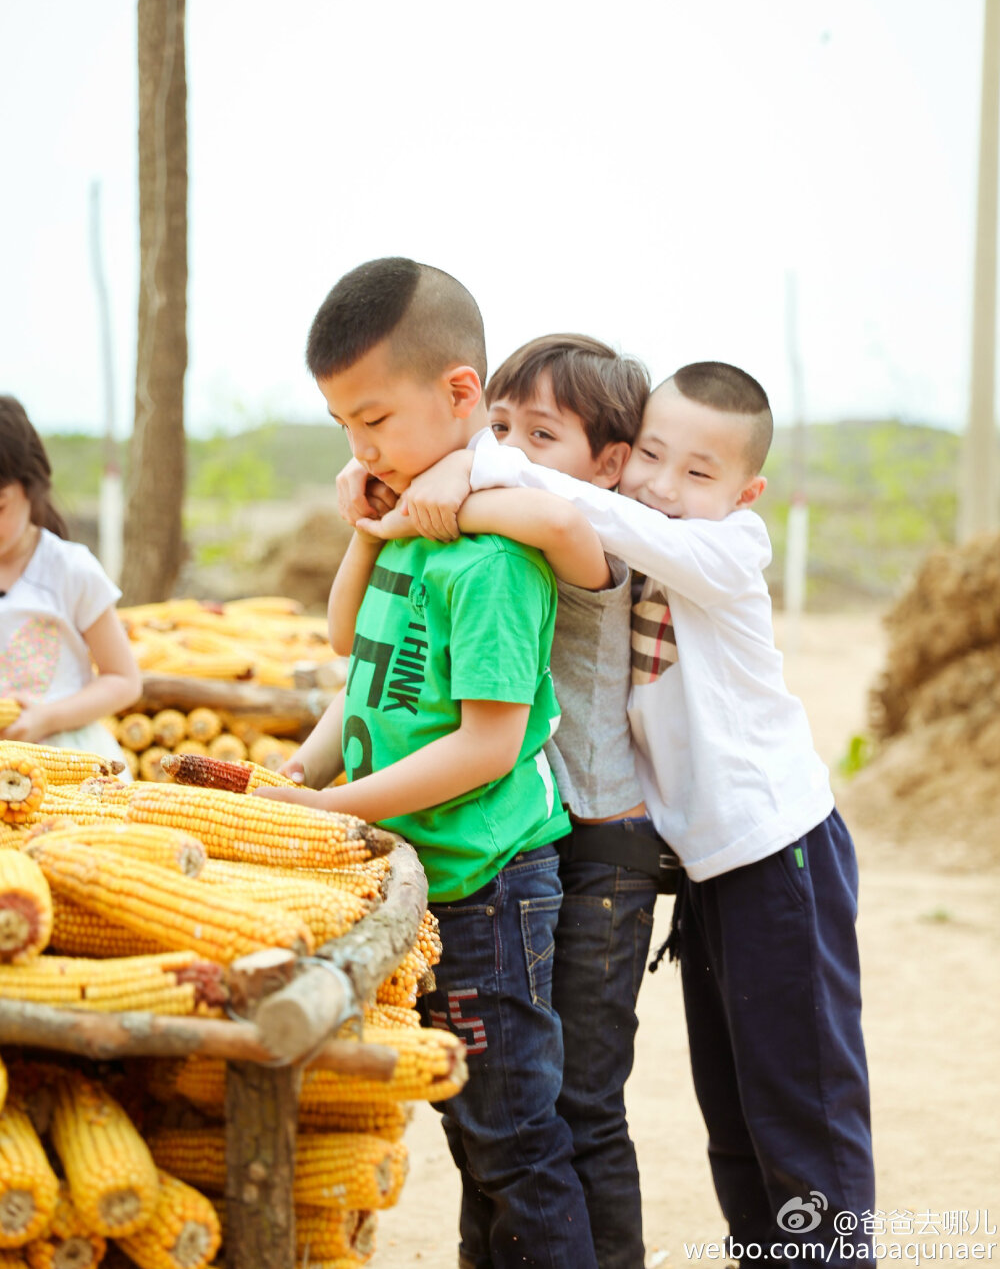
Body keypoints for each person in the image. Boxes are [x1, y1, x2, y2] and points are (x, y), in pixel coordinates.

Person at [370, 360, 875, 1269]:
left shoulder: (729, 548)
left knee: (806, 1117)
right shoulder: (641, 544)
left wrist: (465, 475)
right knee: (735, 1123)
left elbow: (590, 513)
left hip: (780, 853)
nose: (664, 486)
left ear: (747, 492)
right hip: (706, 869)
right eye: (651, 454)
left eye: (698, 473)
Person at [255, 257, 606, 1269]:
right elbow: (347, 657)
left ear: (459, 395)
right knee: (470, 1133)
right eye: (343, 430)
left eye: (374, 421)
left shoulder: (489, 557)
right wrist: (303, 779)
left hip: (488, 888)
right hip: (425, 877)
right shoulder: (412, 521)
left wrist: (341, 810)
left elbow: (487, 743)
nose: (362, 448)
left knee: (514, 1141)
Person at [339, 331, 677, 1269]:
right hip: (535, 832)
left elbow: (561, 524)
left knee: (569, 1110)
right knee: (512, 1114)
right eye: (501, 426)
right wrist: (407, 505)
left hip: (601, 849)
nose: (512, 450)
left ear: (607, 465)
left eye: (543, 435)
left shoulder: (572, 536)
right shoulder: (490, 536)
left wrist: (449, 493)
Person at [0, 395, 140, 757]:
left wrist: (47, 718)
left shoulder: (70, 570)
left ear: (31, 487)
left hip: (67, 757)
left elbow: (124, 680)